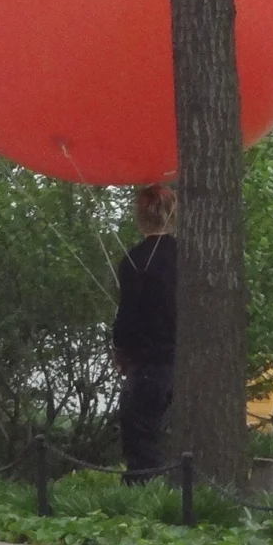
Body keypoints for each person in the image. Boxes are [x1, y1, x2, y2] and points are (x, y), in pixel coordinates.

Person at [109, 184, 178, 484]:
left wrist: (121, 348)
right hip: (187, 361)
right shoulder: (189, 257)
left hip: (149, 364)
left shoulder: (134, 261)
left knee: (141, 437)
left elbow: (128, 315)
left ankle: (143, 493)